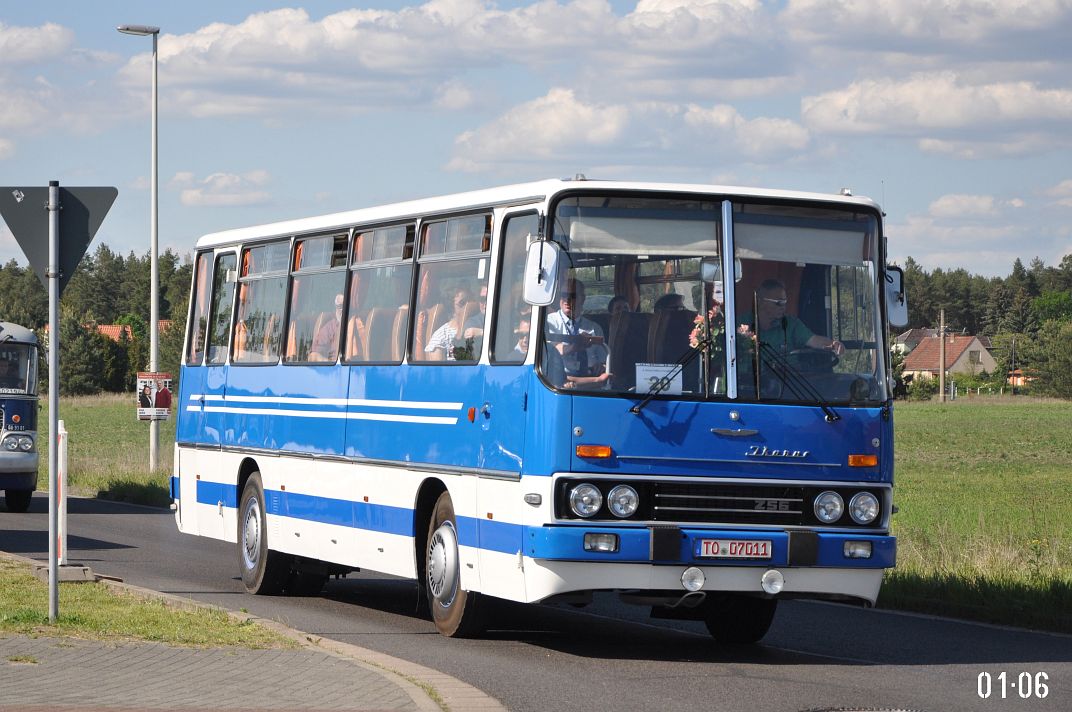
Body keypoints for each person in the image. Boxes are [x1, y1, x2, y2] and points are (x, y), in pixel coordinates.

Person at [737, 278, 843, 356]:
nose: (783, 307)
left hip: (790, 383)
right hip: (753, 385)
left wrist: (833, 344)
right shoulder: (739, 324)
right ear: (760, 302)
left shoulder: (791, 324)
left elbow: (814, 340)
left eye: (785, 302)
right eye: (778, 302)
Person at [545, 278, 610, 389]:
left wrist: (601, 366)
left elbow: (604, 359)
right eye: (564, 295)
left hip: (592, 381)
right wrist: (576, 347)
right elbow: (552, 351)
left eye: (573, 296)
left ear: (583, 299)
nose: (567, 299)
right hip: (563, 382)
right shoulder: (549, 322)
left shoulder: (594, 327)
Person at [425, 288, 471, 361]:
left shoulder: (479, 325)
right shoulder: (442, 335)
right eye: (463, 303)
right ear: (452, 306)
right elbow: (437, 370)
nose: (467, 307)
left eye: (470, 302)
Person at [311, 293, 344, 360]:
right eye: (340, 306)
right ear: (335, 307)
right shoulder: (329, 328)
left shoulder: (358, 324)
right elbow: (313, 356)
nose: (343, 310)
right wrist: (330, 363)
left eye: (346, 306)